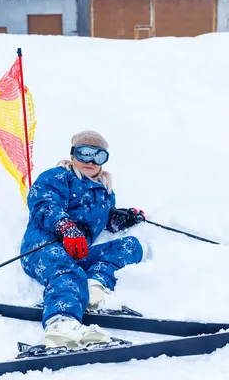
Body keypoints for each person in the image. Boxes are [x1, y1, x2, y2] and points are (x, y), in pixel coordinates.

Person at [20, 130, 146, 349]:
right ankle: (61, 326)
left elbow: (102, 221)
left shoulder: (104, 191)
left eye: (98, 156)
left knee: (131, 246)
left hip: (78, 252)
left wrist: (120, 219)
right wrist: (65, 227)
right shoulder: (58, 176)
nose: (90, 161)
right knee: (69, 273)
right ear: (73, 154)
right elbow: (44, 204)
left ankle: (94, 289)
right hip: (43, 248)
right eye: (84, 153)